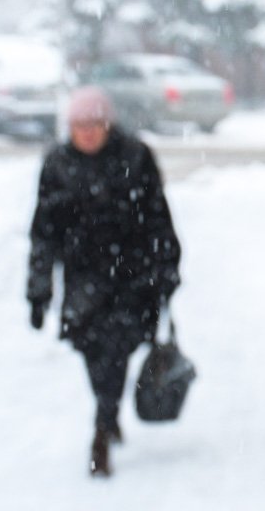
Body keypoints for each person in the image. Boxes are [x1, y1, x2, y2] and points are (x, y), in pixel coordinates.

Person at [27, 86, 182, 477]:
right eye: (79, 125)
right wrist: (38, 291)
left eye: (94, 124)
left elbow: (158, 217)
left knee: (116, 349)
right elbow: (43, 233)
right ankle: (108, 409)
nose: (87, 133)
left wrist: (166, 270)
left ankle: (101, 428)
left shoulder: (135, 156)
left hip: (133, 276)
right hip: (82, 279)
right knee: (91, 351)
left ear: (107, 124)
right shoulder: (58, 164)